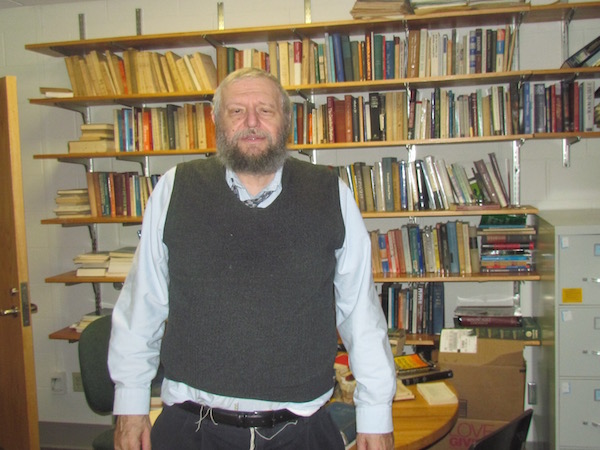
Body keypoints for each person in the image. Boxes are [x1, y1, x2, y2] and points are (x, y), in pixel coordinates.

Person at [108, 67, 396, 450]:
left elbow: (361, 314)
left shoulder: (330, 194)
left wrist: (375, 413)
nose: (252, 123)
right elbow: (141, 306)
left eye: (265, 110)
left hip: (302, 434)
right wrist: (130, 405)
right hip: (190, 430)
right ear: (216, 122)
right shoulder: (175, 189)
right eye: (236, 111)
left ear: (286, 121)